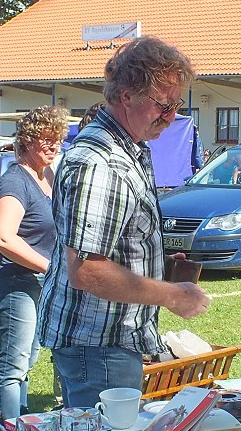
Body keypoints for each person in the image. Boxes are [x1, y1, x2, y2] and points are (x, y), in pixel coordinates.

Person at [38, 35, 210, 408]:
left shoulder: (129, 148)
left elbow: (110, 245)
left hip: (107, 343)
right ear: (126, 95)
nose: (170, 118)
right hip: (98, 347)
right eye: (163, 105)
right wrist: (172, 295)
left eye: (175, 105)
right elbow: (87, 272)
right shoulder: (100, 163)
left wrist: (157, 268)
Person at [0, 106, 70, 424]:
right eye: (46, 139)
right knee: (13, 365)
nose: (53, 146)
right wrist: (49, 267)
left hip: (40, 282)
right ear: (27, 140)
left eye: (58, 139)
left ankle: (20, 418)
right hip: (17, 282)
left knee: (29, 357)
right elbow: (5, 239)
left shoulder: (46, 175)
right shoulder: (15, 180)